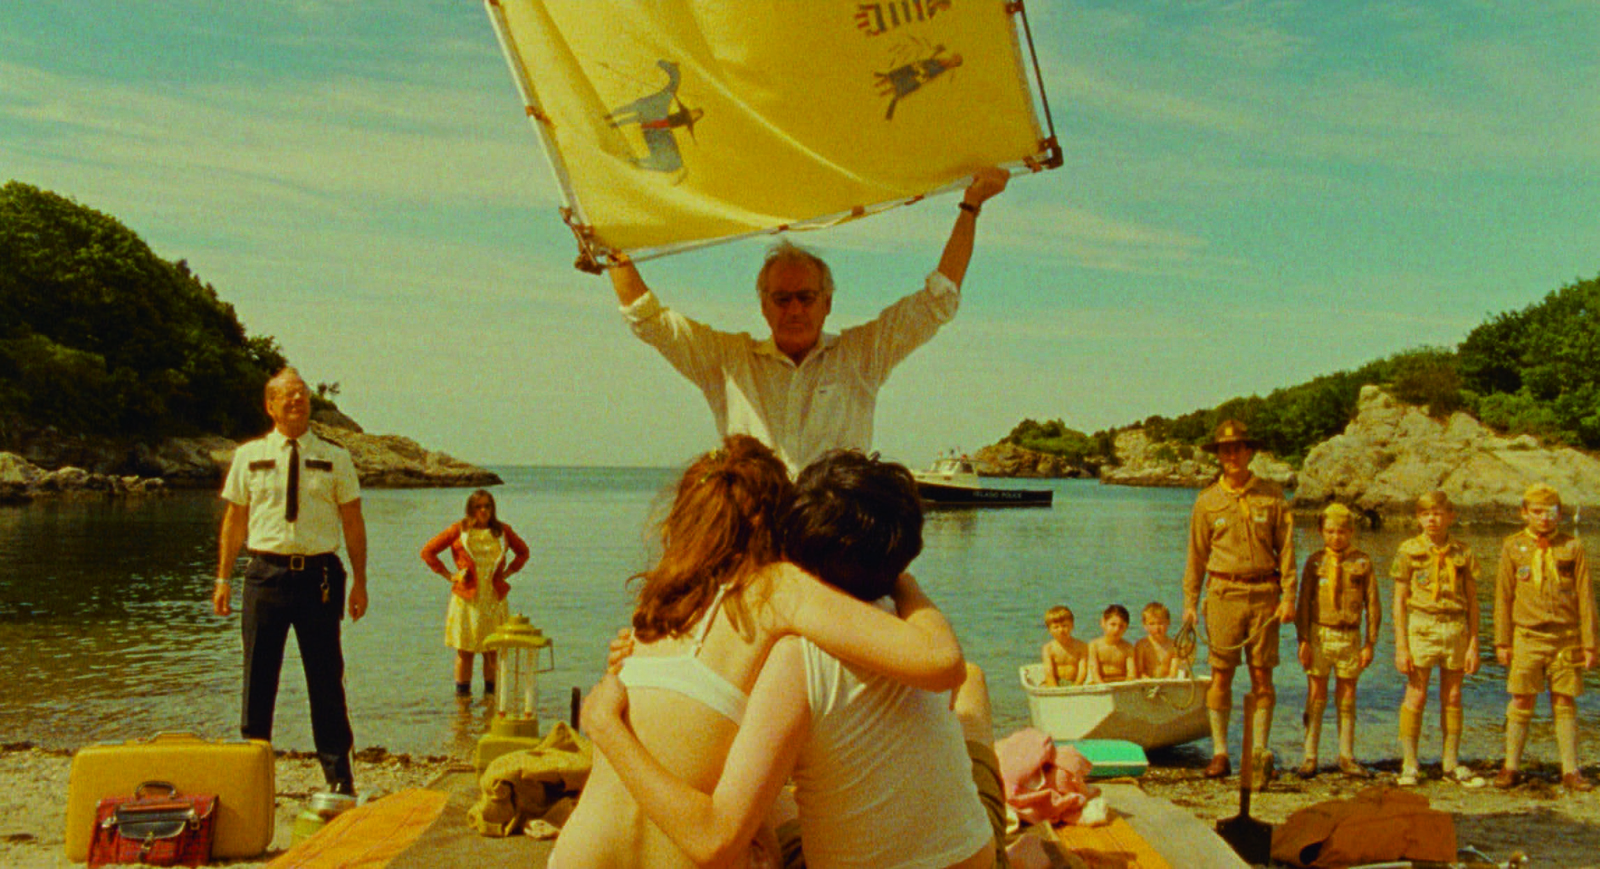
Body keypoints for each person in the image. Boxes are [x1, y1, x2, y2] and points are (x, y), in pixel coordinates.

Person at [548, 437, 969, 868]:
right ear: (775, 522)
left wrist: (602, 722)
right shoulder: (777, 587)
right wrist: (902, 581)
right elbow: (940, 663)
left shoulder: (655, 611)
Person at [608, 168, 1009, 474]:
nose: (794, 310)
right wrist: (608, 240)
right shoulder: (727, 360)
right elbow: (649, 320)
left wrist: (971, 206)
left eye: (806, 297)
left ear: (827, 303)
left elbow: (937, 301)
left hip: (838, 545)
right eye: (782, 299)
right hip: (756, 545)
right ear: (763, 306)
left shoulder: (860, 355)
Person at [212, 367, 367, 796]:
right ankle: (253, 772)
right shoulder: (249, 455)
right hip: (265, 576)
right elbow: (235, 518)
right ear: (270, 405)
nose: (297, 401)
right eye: (288, 396)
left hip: (318, 577)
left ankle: (339, 778)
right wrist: (223, 578)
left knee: (325, 678)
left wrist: (360, 581)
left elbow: (352, 522)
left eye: (302, 395)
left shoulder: (335, 457)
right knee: (258, 677)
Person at [1181, 419, 1296, 783]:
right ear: (1219, 456)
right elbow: (1196, 557)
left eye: (1238, 448)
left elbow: (1288, 550)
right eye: (1225, 450)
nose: (1232, 455)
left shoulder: (1272, 495)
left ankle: (1259, 754)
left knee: (1263, 676)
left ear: (1250, 452)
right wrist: (1189, 603)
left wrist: (1289, 595)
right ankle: (1220, 753)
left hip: (1264, 595)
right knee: (1221, 675)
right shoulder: (1207, 501)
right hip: (1223, 594)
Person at [1492, 483, 1596, 791]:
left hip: (1565, 636)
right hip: (1527, 635)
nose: (1544, 518)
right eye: (1536, 512)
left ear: (1560, 515)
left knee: (1564, 700)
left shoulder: (1572, 547)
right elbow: (1503, 596)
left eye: (1550, 512)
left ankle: (1570, 769)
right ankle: (1510, 766)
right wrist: (1502, 640)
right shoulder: (1513, 547)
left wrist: (1590, 644)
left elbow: (1586, 599)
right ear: (1524, 513)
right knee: (1521, 699)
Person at [1390, 491, 1483, 788]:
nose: (1433, 519)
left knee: (1453, 696)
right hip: (1422, 627)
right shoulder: (1408, 550)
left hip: (1455, 627)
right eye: (1427, 514)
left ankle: (1450, 762)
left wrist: (1474, 642)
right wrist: (1401, 645)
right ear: (1418, 518)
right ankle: (1409, 763)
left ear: (1450, 517)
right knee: (1416, 693)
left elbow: (1472, 600)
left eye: (1439, 513)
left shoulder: (1463, 552)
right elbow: (1399, 601)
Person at [1294, 504, 1381, 780]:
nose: (1336, 537)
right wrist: (1303, 640)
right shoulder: (1314, 562)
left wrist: (1370, 643)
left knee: (1347, 696)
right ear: (1321, 531)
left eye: (1342, 531)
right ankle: (1310, 756)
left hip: (1350, 636)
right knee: (1316, 694)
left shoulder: (1363, 562)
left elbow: (1373, 605)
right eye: (1330, 531)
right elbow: (1303, 604)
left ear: (1351, 531)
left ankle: (1346, 755)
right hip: (1320, 634)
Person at [419, 489, 531, 696]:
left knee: (492, 651)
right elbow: (427, 551)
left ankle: (490, 701)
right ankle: (463, 702)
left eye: (487, 506)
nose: (483, 510)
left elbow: (524, 552)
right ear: (471, 509)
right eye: (478, 506)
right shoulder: (459, 530)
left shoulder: (502, 531)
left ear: (493, 508)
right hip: (467, 598)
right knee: (466, 651)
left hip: (493, 597)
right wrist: (449, 575)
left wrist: (507, 573)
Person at [1085, 604, 1139, 684]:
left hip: (1121, 682)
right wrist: (1103, 686)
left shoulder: (1128, 647)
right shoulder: (1094, 645)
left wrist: (1125, 685)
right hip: (1100, 682)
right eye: (1113, 624)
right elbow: (1094, 672)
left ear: (1126, 627)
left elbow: (1131, 674)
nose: (1116, 629)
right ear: (1103, 623)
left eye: (1121, 626)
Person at [1040, 604, 1087, 686]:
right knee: (1043, 685)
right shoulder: (1048, 648)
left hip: (1074, 683)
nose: (1061, 630)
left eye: (1064, 626)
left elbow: (1083, 671)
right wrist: (1054, 688)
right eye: (1056, 627)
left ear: (1072, 626)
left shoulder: (1081, 646)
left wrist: (1077, 685)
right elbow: (1049, 673)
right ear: (1049, 630)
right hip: (1054, 682)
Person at [1134, 601, 1180, 679]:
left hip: (1167, 683)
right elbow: (1139, 671)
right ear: (1144, 625)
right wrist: (1147, 680)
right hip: (1146, 684)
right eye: (1152, 624)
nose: (1157, 628)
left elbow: (1173, 672)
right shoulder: (1141, 645)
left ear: (1168, 622)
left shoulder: (1173, 645)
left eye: (1161, 623)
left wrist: (1169, 679)